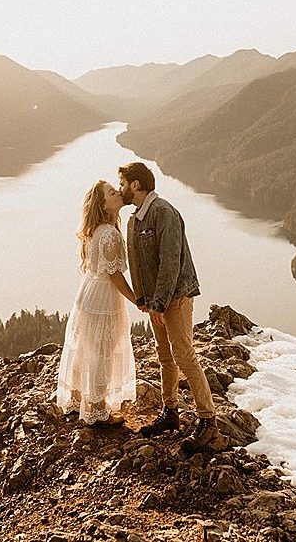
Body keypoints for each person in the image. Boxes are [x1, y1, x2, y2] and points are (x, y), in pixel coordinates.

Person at [118, 162, 221, 454]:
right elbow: (137, 264)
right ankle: (171, 412)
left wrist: (160, 304)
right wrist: (143, 300)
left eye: (123, 183)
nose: (121, 189)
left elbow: (171, 261)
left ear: (136, 184)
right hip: (156, 303)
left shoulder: (163, 212)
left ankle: (208, 420)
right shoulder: (134, 219)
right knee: (165, 357)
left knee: (184, 355)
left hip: (175, 298)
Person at [56, 180, 139, 425]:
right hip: (103, 297)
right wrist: (137, 300)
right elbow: (114, 274)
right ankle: (96, 410)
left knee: (87, 347)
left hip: (88, 292)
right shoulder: (110, 234)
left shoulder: (98, 229)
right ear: (104, 205)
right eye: (112, 193)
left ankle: (78, 396)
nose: (118, 193)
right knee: (104, 350)